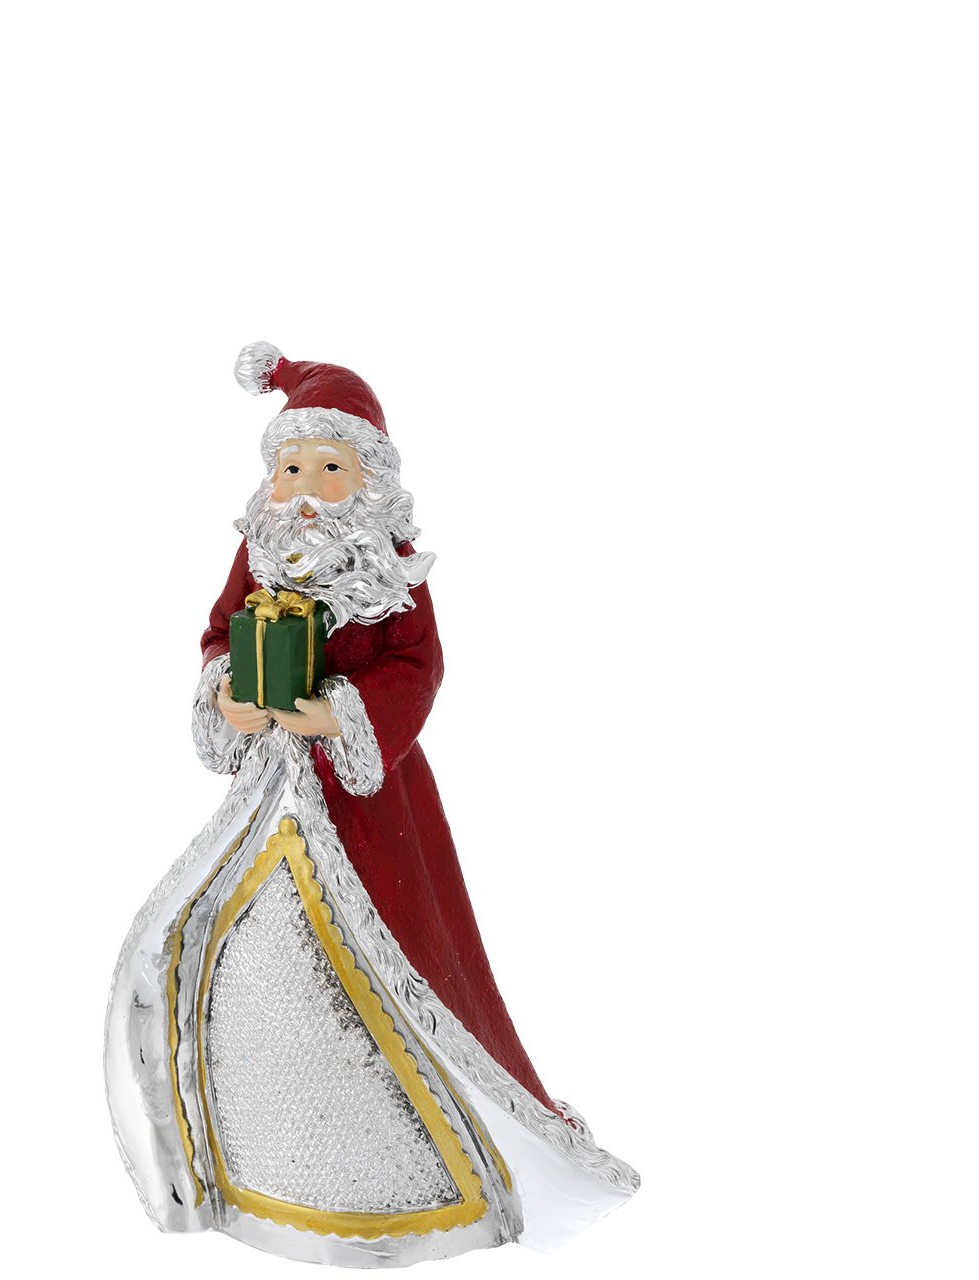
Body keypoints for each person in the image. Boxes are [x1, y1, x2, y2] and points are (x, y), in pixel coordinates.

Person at [105, 343, 637, 1266]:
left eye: (328, 468)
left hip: (367, 805)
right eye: (289, 470)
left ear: (369, 479)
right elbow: (217, 635)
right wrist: (227, 691)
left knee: (393, 960)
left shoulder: (390, 568)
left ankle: (418, 1174)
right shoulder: (258, 554)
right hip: (269, 788)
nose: (306, 490)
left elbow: (417, 665)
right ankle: (261, 1162)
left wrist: (341, 714)